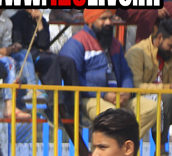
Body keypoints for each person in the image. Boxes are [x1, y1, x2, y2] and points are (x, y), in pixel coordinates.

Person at [63, 9, 158, 137]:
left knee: (152, 108)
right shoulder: (76, 43)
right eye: (103, 19)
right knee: (111, 115)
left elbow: (125, 72)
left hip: (117, 97)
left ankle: (122, 145)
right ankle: (117, 145)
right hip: (90, 98)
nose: (108, 22)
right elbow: (72, 79)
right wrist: (103, 94)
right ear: (91, 21)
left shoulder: (115, 44)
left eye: (110, 18)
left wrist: (126, 91)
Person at [126, 17, 172, 145]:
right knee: (166, 97)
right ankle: (161, 149)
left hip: (165, 104)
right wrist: (169, 88)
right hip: (137, 101)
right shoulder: (137, 52)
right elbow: (135, 87)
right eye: (171, 46)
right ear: (159, 38)